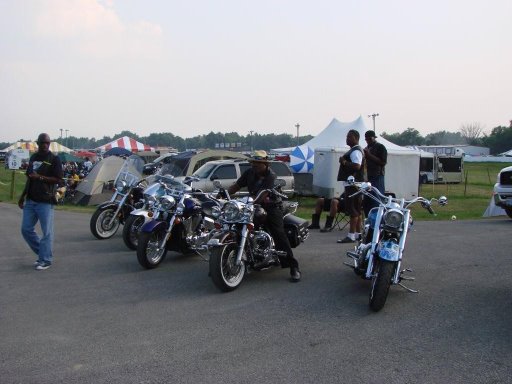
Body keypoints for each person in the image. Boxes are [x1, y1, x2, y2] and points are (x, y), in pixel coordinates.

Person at [227, 150, 301, 282]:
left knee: (279, 233)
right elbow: (237, 186)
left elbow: (264, 194)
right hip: (253, 205)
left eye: (258, 163)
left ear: (265, 164)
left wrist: (250, 201)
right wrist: (223, 195)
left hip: (271, 205)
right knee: (235, 224)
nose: (255, 165)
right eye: (254, 162)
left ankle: (293, 267)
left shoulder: (270, 175)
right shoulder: (249, 173)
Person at [18, 133, 63, 270]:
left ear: (49, 144)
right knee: (26, 229)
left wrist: (41, 177)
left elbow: (58, 179)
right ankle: (43, 254)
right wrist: (22, 196)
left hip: (45, 200)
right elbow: (30, 178)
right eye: (42, 142)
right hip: (31, 200)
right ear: (38, 143)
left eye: (47, 143)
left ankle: (46, 260)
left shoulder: (54, 159)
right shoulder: (34, 157)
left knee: (47, 232)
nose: (44, 145)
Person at [337, 130, 365, 244]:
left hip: (353, 184)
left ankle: (351, 235)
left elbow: (357, 166)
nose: (347, 139)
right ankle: (358, 234)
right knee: (357, 210)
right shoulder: (354, 150)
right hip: (355, 184)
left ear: (356, 138)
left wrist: (344, 162)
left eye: (349, 137)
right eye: (347, 136)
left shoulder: (355, 151)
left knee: (353, 210)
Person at [363, 130, 387, 216]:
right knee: (367, 201)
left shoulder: (380, 147)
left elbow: (383, 162)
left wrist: (369, 155)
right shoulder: (366, 148)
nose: (368, 141)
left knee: (376, 200)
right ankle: (368, 220)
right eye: (366, 139)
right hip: (368, 178)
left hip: (378, 176)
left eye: (369, 139)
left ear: (374, 138)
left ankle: (378, 220)